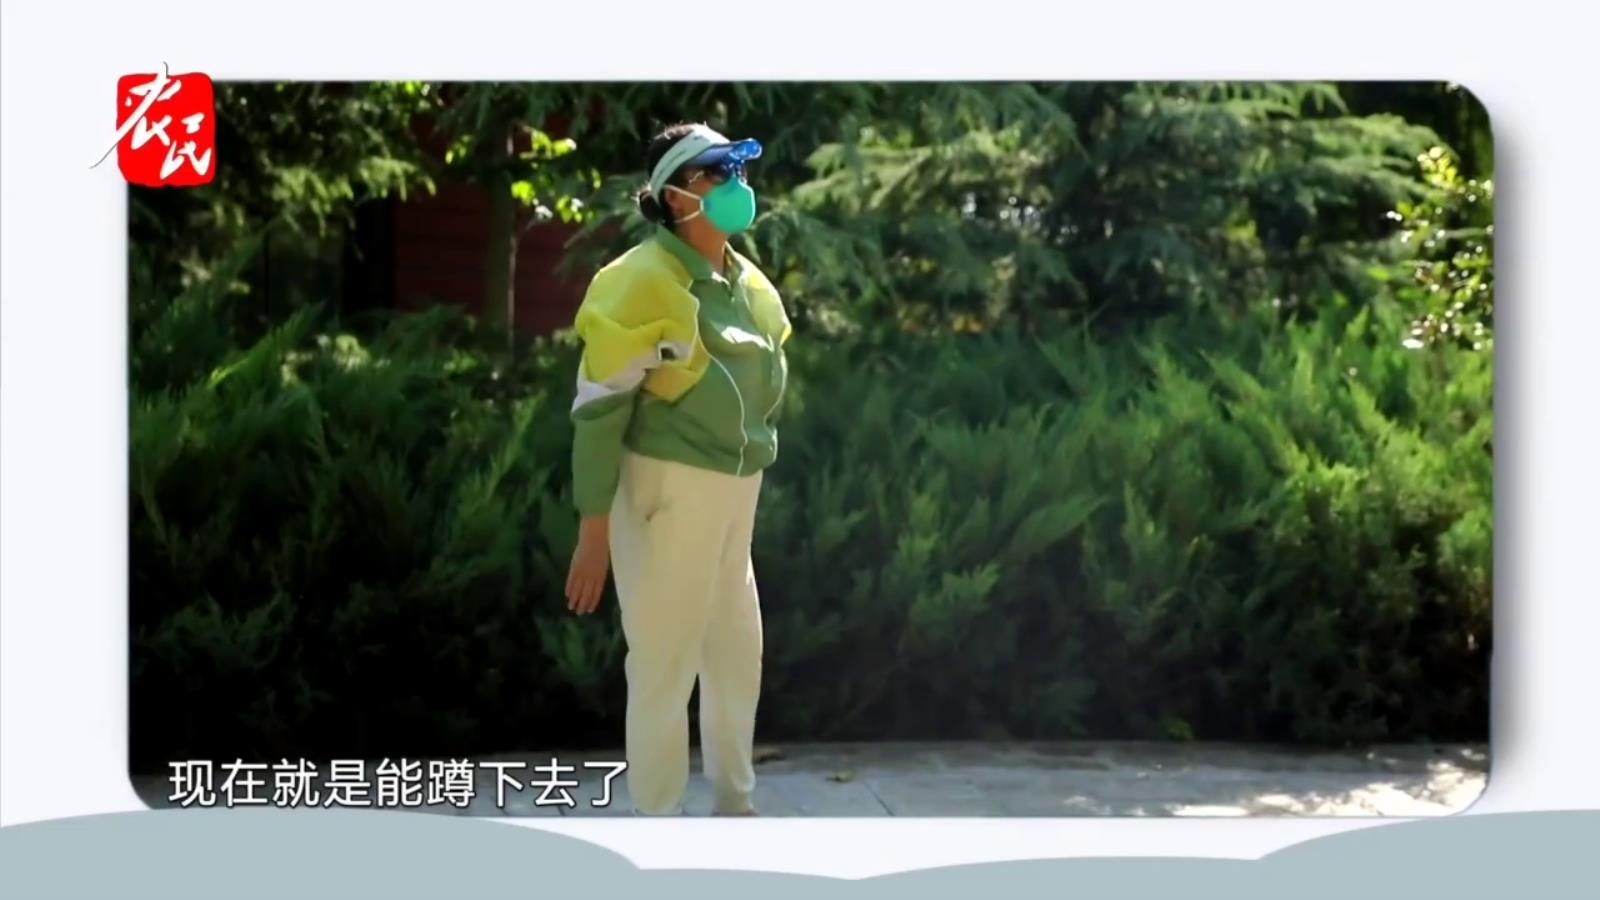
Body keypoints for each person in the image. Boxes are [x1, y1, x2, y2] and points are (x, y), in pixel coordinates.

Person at [563, 122, 791, 816]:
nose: (734, 185)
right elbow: (599, 412)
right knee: (664, 664)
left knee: (736, 654)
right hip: (667, 490)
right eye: (715, 172)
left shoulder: (748, 284)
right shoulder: (637, 282)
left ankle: (735, 809)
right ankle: (658, 827)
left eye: (738, 170)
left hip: (737, 496)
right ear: (673, 195)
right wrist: (594, 531)